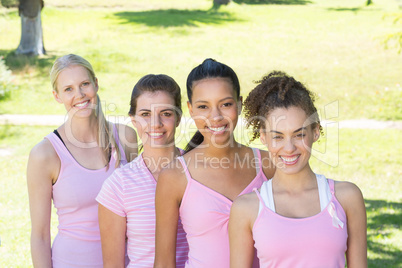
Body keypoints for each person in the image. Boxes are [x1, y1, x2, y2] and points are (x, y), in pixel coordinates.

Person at [229, 71, 367, 268]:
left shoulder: (347, 198)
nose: (289, 148)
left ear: (316, 131)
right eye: (277, 136)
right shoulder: (246, 208)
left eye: (298, 134)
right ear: (263, 137)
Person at [154, 59, 276, 268]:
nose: (216, 117)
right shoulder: (175, 176)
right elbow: (164, 262)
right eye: (203, 106)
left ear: (239, 103)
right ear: (191, 109)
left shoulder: (268, 166)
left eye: (226, 104)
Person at [27, 54, 138, 267]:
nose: (79, 94)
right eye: (68, 89)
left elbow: (138, 211)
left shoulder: (126, 138)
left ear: (95, 84)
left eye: (84, 84)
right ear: (57, 96)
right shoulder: (45, 155)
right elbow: (40, 235)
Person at [96, 74, 189, 267]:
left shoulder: (199, 172)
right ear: (133, 120)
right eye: (145, 114)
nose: (155, 123)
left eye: (166, 113)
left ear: (178, 117)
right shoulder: (118, 185)